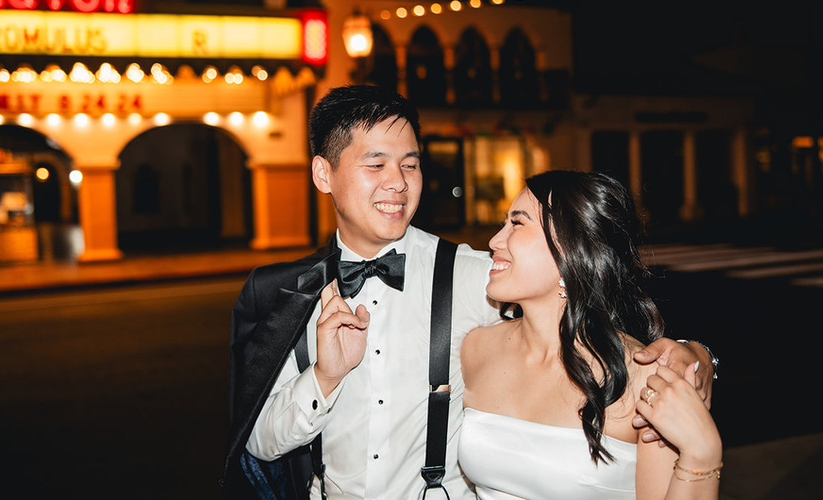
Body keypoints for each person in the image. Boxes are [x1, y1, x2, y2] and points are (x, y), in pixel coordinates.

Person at [223, 85, 715, 499]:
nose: (398, 183)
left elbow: (585, 312)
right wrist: (325, 378)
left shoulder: (477, 276)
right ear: (323, 174)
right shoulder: (291, 293)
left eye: (410, 165)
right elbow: (260, 443)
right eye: (376, 165)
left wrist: (697, 357)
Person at [459, 171, 722, 499]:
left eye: (518, 223)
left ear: (571, 251)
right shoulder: (476, 348)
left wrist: (702, 453)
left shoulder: (645, 379)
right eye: (504, 223)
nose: (495, 241)